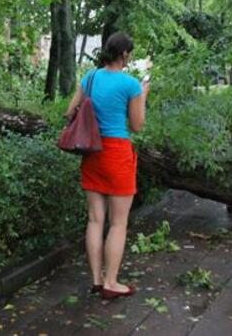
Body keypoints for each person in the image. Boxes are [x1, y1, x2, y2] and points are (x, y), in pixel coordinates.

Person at [64, 32, 149, 300]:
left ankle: (97, 280)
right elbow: (136, 126)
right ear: (124, 55)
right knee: (118, 223)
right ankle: (112, 282)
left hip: (91, 152)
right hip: (116, 154)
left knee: (95, 219)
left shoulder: (89, 78)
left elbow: (69, 113)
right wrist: (144, 94)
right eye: (130, 53)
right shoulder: (131, 85)